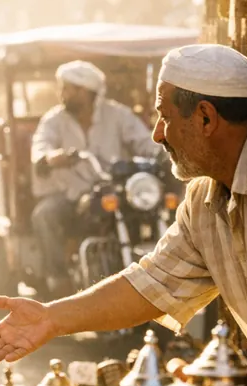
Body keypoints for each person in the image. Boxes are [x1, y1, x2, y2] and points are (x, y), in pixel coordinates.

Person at [0, 44, 247, 372]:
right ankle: (56, 275)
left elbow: (143, 142)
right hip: (75, 197)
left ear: (205, 117)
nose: (158, 134)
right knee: (48, 215)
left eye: (165, 117)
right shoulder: (204, 198)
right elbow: (153, 283)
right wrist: (51, 317)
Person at [31, 60, 160, 296]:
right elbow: (41, 146)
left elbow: (143, 142)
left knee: (152, 211)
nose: (62, 94)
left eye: (67, 89)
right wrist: (51, 157)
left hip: (113, 191)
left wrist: (161, 152)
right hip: (70, 195)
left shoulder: (118, 115)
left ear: (85, 92)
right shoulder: (54, 120)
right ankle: (58, 281)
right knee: (44, 214)